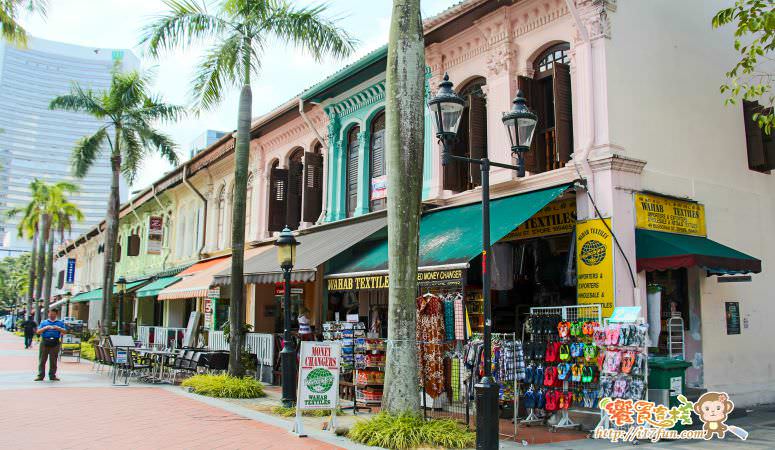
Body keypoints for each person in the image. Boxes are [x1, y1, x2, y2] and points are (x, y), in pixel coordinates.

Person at [35, 308, 67, 381]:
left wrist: (58, 328)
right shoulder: (44, 322)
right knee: (42, 359)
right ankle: (40, 375)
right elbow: (38, 331)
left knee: (53, 360)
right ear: (48, 314)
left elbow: (65, 331)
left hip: (55, 342)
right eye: (50, 314)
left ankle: (52, 375)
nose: (51, 315)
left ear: (56, 314)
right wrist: (45, 328)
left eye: (53, 314)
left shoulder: (60, 323)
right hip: (44, 341)